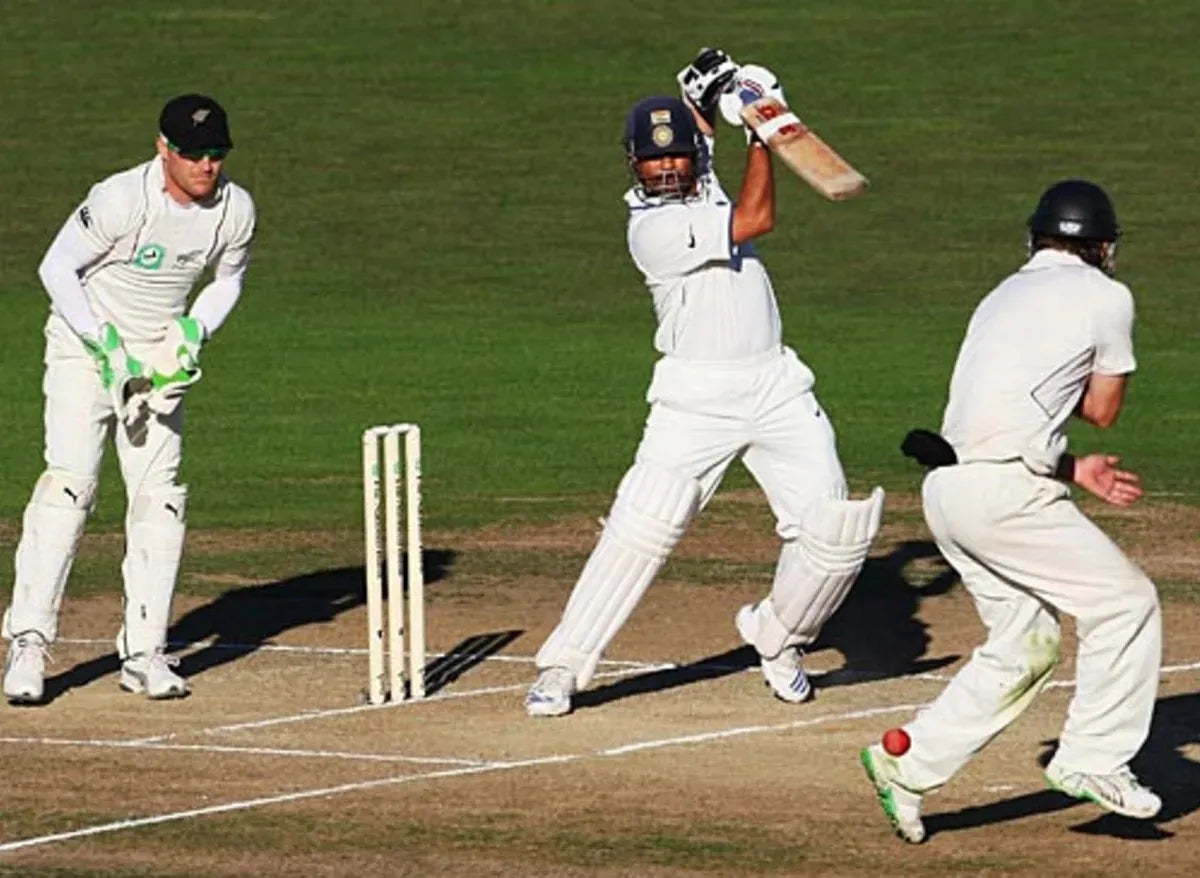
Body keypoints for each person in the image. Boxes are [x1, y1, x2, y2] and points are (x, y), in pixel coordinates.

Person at [525, 49, 884, 718]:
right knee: (645, 520)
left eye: (676, 156)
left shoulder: (701, 176)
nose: (665, 168)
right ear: (633, 164)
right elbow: (755, 219)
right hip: (695, 398)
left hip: (776, 385)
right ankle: (563, 667)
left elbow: (700, 133)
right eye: (652, 160)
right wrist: (762, 135)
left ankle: (779, 639)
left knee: (836, 531)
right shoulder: (653, 229)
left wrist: (717, 90)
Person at [861, 179, 1162, 843]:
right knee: (1126, 604)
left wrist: (1070, 467)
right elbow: (1102, 409)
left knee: (1024, 645)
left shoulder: (1001, 294)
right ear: (1102, 247)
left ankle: (906, 764)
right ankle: (1093, 758)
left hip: (951, 491)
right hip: (1006, 497)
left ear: (1037, 238)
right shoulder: (1108, 296)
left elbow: (1000, 407)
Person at [2, 94, 256, 704]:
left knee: (161, 500)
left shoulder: (234, 210)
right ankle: (28, 644)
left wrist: (190, 336)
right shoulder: (121, 198)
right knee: (69, 488)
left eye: (216, 153)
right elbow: (56, 268)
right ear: (163, 148)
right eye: (193, 153)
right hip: (85, 348)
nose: (206, 165)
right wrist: (105, 346)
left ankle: (144, 654)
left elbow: (228, 281)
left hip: (157, 358)